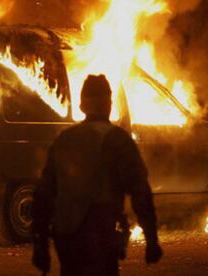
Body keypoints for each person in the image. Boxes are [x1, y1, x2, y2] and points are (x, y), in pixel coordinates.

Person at [32, 74, 162, 276]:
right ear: (109, 104)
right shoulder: (117, 140)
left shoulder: (64, 140)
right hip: (100, 236)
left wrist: (40, 245)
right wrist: (152, 240)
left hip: (66, 238)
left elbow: (43, 195)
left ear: (82, 105)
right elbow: (140, 192)